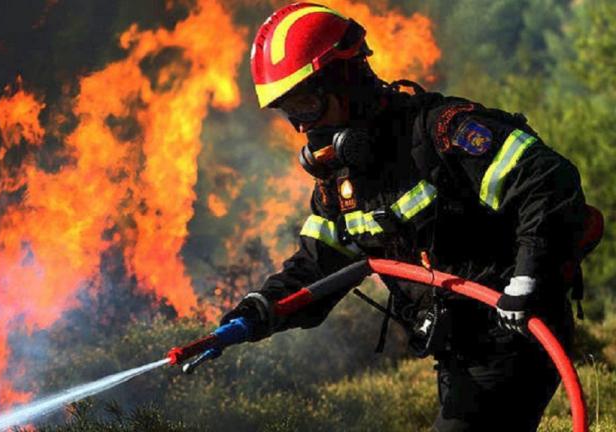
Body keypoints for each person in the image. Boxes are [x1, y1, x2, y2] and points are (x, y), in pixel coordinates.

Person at [221, 3, 601, 431]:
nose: (303, 129)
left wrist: (529, 279)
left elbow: (547, 181)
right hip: (460, 353)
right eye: (291, 114)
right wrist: (259, 310)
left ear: (346, 80)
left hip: (516, 337)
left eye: (308, 106)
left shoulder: (442, 133)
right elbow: (318, 263)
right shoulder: (342, 184)